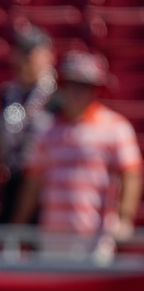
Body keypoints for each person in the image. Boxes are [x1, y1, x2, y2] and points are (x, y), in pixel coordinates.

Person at [12, 50, 143, 260]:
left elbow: (131, 174)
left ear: (95, 90)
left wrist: (124, 217)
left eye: (85, 86)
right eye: (72, 85)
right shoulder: (48, 131)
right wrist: (19, 225)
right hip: (53, 238)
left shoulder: (115, 127)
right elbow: (34, 182)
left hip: (96, 240)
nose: (77, 92)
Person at [0, 26, 56, 224]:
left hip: (47, 188)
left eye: (31, 53)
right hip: (13, 180)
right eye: (23, 52)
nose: (26, 59)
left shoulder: (57, 97)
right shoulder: (8, 95)